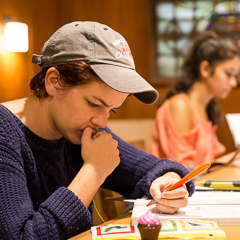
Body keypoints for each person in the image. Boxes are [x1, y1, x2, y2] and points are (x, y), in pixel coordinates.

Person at [0, 21, 194, 239]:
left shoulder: (81, 129)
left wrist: (168, 180)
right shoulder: (4, 132)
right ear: (53, 81)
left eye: (113, 110)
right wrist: (93, 170)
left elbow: (157, 169)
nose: (102, 121)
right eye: (93, 103)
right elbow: (22, 236)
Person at [150, 31, 239, 167]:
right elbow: (182, 168)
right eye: (228, 74)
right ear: (206, 69)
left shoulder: (204, 107)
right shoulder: (180, 105)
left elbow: (207, 165)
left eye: (235, 76)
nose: (233, 83)